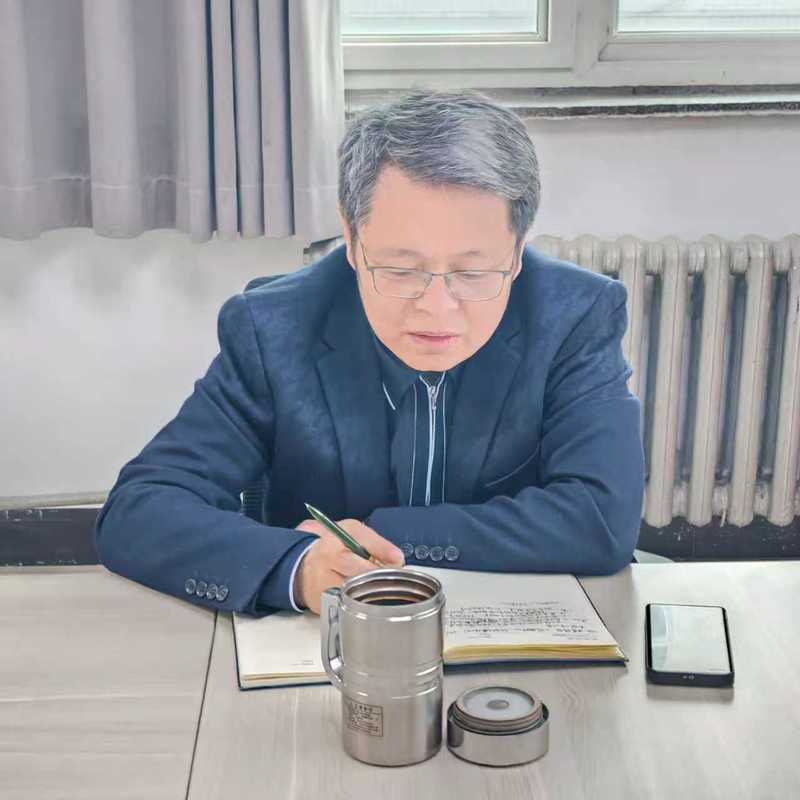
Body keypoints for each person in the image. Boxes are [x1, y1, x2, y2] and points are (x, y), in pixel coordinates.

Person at [95, 89, 645, 616]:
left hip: (516, 629)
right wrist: (299, 567)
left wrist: (379, 537)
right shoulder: (273, 327)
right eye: (401, 270)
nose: (436, 308)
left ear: (517, 252)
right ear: (352, 240)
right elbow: (139, 510)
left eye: (473, 272)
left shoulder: (574, 315)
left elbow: (601, 519)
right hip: (330, 638)